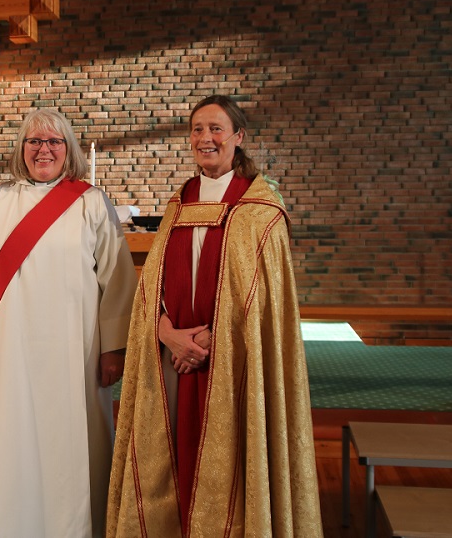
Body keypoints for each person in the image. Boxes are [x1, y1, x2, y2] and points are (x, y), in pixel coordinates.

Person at [106, 95, 323, 537]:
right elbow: (151, 288)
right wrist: (168, 334)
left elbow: (262, 299)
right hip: (172, 360)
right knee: (170, 453)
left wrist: (205, 341)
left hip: (234, 361)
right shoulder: (179, 203)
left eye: (216, 128)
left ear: (238, 136)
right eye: (198, 129)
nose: (206, 138)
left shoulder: (260, 210)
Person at [0, 108, 137, 537]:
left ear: (68, 150)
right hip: (13, 353)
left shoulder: (90, 202)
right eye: (34, 141)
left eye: (53, 141)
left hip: (77, 353)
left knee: (74, 448)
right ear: (21, 149)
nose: (43, 150)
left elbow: (118, 280)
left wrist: (113, 348)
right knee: (17, 444)